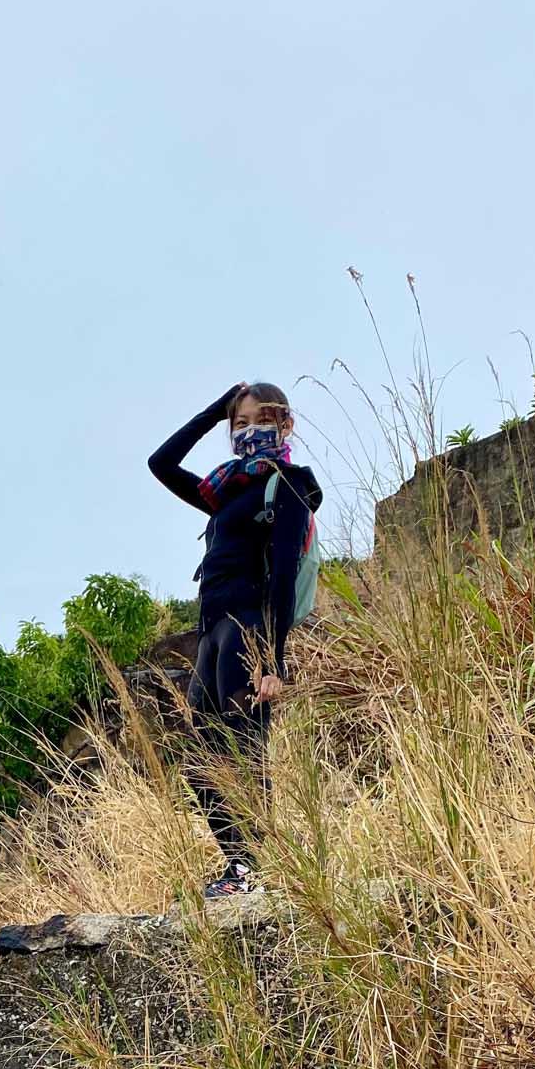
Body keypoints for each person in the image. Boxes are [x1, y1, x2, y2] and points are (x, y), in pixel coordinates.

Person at [148, 382, 324, 897]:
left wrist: (275, 662)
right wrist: (213, 410)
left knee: (246, 753)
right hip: (211, 635)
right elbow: (161, 463)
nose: (246, 432)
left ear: (286, 424)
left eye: (256, 421)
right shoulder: (225, 493)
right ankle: (243, 863)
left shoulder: (287, 487)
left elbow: (286, 574)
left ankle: (258, 870)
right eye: (238, 424)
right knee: (200, 764)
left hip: (250, 631)